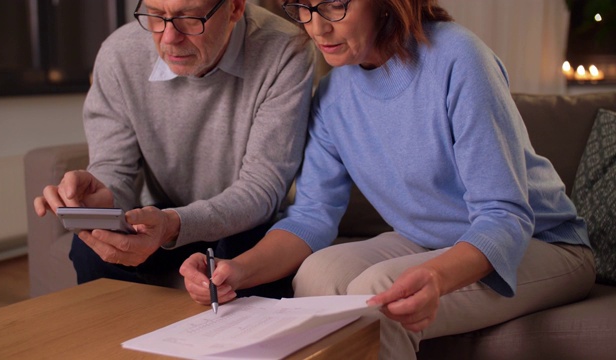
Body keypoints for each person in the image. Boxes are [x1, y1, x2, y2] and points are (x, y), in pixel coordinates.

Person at [180, 0, 596, 357]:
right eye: (304, 8)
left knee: (380, 291)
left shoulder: (459, 57)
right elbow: (310, 217)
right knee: (317, 273)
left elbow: (504, 214)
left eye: (335, 5)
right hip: (430, 237)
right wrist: (236, 270)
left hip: (541, 242)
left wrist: (436, 276)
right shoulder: (332, 96)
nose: (317, 26)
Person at [33, 0, 315, 296]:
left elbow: (262, 188)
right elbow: (114, 168)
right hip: (160, 215)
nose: (169, 38)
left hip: (246, 220)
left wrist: (172, 225)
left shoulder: (285, 49)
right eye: (156, 15)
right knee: (88, 249)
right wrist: (103, 199)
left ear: (234, 7)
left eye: (190, 18)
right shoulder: (119, 53)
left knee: (238, 257)